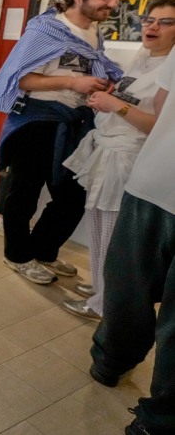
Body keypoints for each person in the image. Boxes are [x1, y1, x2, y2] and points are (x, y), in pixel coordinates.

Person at [0, 0, 126, 285]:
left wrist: (97, 85)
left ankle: (43, 251)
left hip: (76, 123)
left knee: (73, 197)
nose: (113, 3)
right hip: (36, 119)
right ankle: (18, 255)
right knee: (24, 193)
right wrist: (73, 84)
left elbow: (84, 74)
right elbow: (20, 78)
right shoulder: (45, 31)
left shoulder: (94, 34)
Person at [60, 0, 175, 320]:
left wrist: (116, 106)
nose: (153, 26)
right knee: (99, 230)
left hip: (126, 160)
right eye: (150, 19)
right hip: (109, 152)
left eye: (165, 22)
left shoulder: (170, 69)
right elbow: (132, 101)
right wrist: (112, 97)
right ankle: (102, 288)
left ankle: (104, 304)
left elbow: (159, 128)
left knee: (111, 239)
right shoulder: (145, 58)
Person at [88, 48, 175, 435]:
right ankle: (158, 419)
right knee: (127, 289)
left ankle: (112, 362)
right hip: (154, 184)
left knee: (127, 286)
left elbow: (161, 108)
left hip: (155, 181)